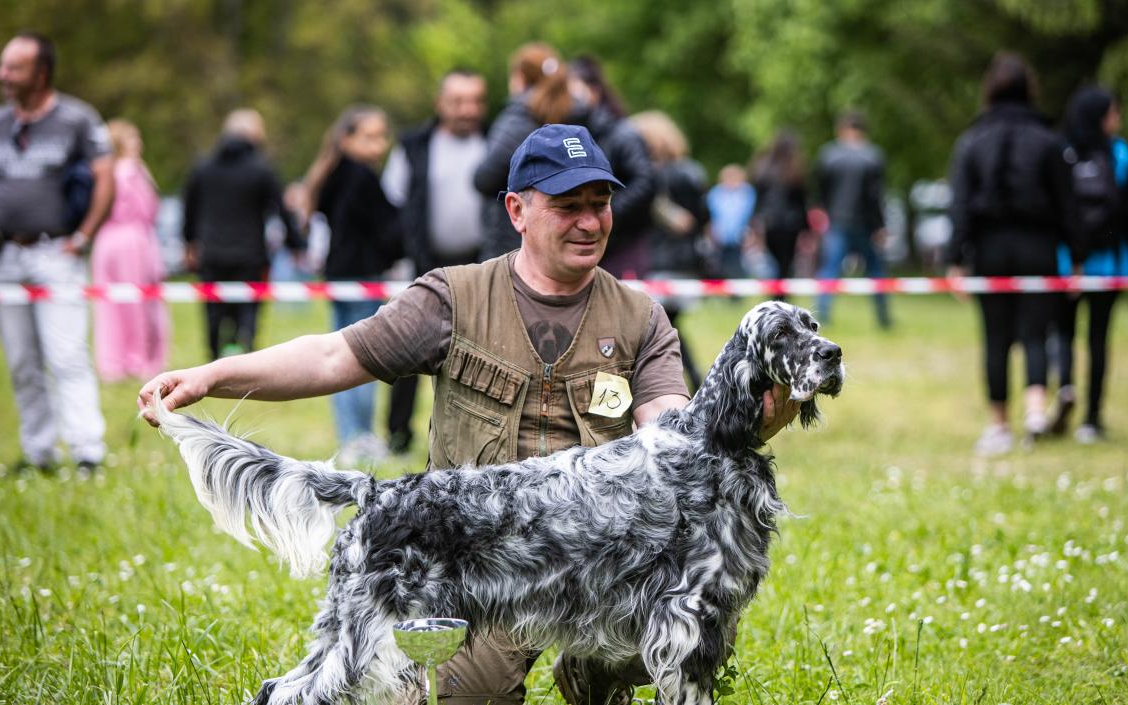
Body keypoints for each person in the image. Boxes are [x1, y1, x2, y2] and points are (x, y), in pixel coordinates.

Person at [138, 124, 800, 705]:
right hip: (470, 558)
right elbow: (330, 355)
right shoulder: (452, 297)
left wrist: (741, 426)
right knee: (409, 684)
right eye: (568, 206)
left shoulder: (639, 315)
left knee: (679, 623)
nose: (590, 222)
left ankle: (595, 675)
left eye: (599, 204)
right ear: (516, 209)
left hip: (599, 572)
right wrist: (212, 377)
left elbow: (665, 428)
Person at [946, 52, 1080, 456]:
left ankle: (999, 424)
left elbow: (961, 205)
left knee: (996, 336)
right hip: (1038, 246)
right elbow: (1066, 204)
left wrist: (956, 259)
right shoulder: (1049, 140)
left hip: (989, 249)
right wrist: (1075, 256)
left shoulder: (971, 142)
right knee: (1036, 331)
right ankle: (1036, 411)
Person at [0, 33, 114, 474]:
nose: (2, 75)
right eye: (3, 66)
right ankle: (38, 452)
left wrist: (83, 237)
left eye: (13, 68)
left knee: (66, 355)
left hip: (55, 252)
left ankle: (88, 452)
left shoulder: (77, 120)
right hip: (3, 256)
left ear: (41, 73)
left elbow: (105, 177)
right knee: (22, 361)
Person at [380, 68, 488, 455]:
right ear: (439, 103)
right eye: (458, 101)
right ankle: (397, 435)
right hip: (423, 263)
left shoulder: (495, 143)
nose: (467, 109)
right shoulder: (413, 145)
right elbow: (392, 202)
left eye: (475, 100)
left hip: (482, 265)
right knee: (407, 346)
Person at [302, 105, 403, 464]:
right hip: (361, 277)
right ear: (347, 139)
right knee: (362, 358)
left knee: (340, 353)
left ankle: (353, 436)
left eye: (382, 136)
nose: (379, 145)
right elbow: (389, 229)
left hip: (340, 274)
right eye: (369, 136)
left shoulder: (332, 175)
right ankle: (357, 437)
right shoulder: (361, 177)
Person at [1047, 86, 1128, 443]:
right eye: (1113, 113)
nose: (1117, 119)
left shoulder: (1060, 151)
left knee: (1063, 334)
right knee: (1098, 338)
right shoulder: (1118, 153)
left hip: (1065, 263)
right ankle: (1091, 418)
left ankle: (1066, 389)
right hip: (1108, 262)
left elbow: (1054, 209)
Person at [182, 108, 303, 360]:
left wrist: (189, 242)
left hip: (211, 252)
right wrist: (297, 244)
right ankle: (245, 358)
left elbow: (189, 210)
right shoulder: (261, 169)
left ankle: (214, 357)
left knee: (213, 309)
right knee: (248, 309)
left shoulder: (203, 167)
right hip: (250, 253)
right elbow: (280, 210)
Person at [473, 43, 580, 261]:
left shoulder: (521, 118)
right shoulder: (581, 114)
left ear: (520, 77)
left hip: (516, 241)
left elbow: (484, 177)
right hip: (571, 234)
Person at [631, 109, 709, 391]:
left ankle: (677, 381)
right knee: (668, 326)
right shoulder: (693, 172)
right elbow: (703, 218)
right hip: (688, 262)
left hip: (660, 262)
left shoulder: (652, 177)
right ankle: (690, 377)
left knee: (660, 329)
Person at [91, 118, 169, 382]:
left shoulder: (104, 171)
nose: (139, 143)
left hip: (105, 242)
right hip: (131, 241)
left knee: (110, 304)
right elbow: (148, 209)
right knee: (138, 303)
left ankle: (114, 361)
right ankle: (139, 360)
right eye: (133, 138)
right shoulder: (131, 170)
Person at [568, 55, 657, 280]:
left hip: (624, 244)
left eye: (574, 92)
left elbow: (645, 182)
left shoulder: (622, 133)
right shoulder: (572, 135)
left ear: (594, 91)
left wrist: (605, 214)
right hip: (589, 241)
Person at [814, 110, 892, 327]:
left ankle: (820, 316)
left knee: (829, 270)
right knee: (876, 272)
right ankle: (883, 317)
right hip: (866, 224)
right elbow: (876, 196)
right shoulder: (874, 156)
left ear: (841, 129)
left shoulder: (828, 155)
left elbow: (822, 191)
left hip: (838, 221)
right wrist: (880, 225)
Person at [749, 129, 809, 287]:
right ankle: (781, 297)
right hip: (790, 224)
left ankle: (776, 294)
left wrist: (754, 221)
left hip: (769, 222)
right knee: (785, 264)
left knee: (774, 263)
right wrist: (806, 228)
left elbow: (758, 199)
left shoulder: (763, 168)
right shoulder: (795, 170)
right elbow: (801, 202)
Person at [706, 164, 756, 278]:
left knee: (738, 261)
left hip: (740, 234)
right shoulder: (716, 193)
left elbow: (750, 214)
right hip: (721, 235)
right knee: (721, 261)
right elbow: (712, 215)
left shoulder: (746, 192)